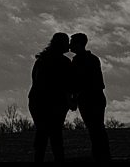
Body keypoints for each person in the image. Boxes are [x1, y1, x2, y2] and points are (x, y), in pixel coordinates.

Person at [28, 32, 72, 163]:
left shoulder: (41, 61)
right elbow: (68, 84)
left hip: (38, 102)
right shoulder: (64, 62)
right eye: (66, 42)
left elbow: (36, 82)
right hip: (54, 104)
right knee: (55, 135)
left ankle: (39, 159)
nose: (69, 45)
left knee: (42, 132)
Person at [70, 33, 111, 162]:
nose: (70, 45)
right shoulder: (93, 58)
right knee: (97, 128)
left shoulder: (78, 60)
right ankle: (103, 155)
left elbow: (76, 82)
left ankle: (99, 155)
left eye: (72, 42)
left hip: (89, 98)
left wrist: (73, 97)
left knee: (94, 129)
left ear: (78, 44)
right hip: (96, 96)